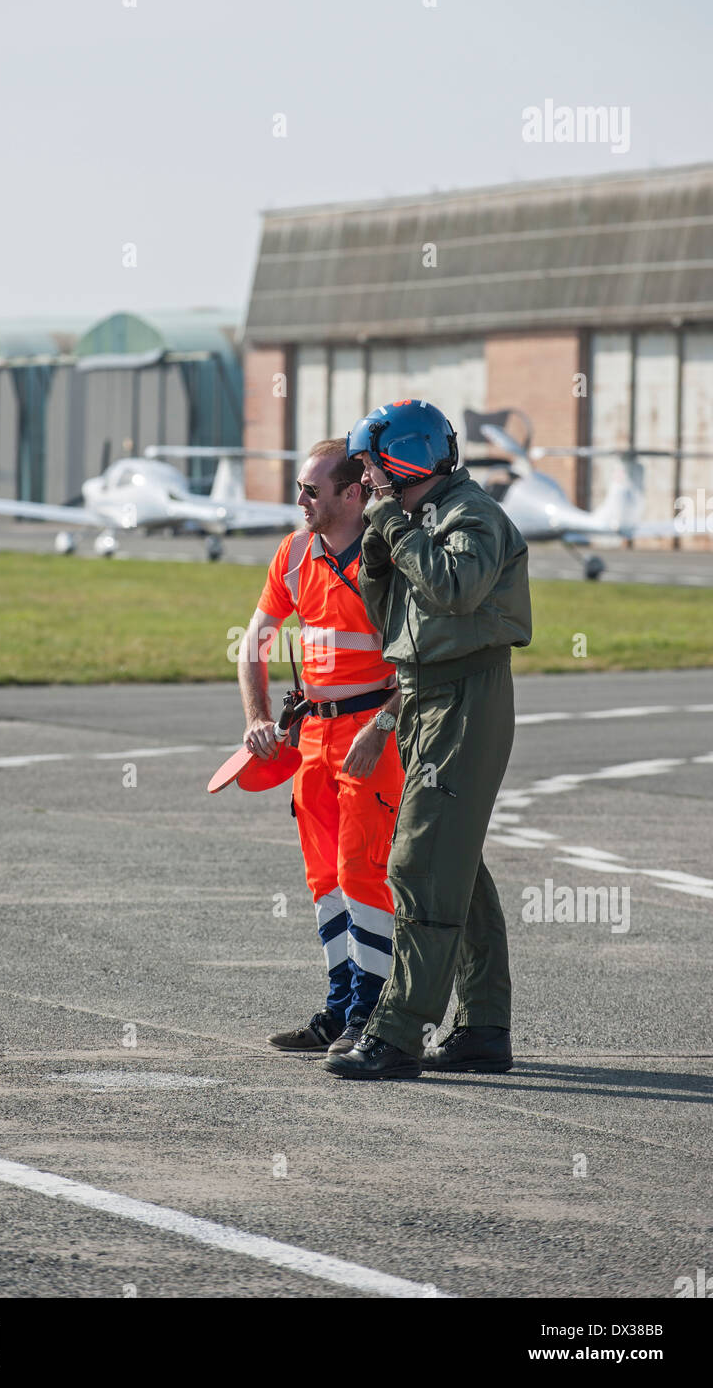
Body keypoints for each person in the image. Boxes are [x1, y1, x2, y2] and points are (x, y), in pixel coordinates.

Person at [325, 400, 532, 1081]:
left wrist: (390, 525)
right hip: (426, 697)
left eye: (371, 465)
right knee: (458, 869)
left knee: (419, 863)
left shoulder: (471, 515)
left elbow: (454, 589)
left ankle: (399, 1031)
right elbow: (393, 621)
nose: (367, 479)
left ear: (403, 459)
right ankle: (481, 1026)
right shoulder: (419, 519)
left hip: (465, 695)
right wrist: (384, 548)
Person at [238, 438, 404, 1056]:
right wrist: (257, 719)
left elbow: (424, 661)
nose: (300, 499)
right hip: (313, 734)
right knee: (323, 878)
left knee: (363, 872)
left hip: (372, 737)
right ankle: (339, 1011)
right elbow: (253, 642)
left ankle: (371, 1014)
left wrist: (383, 724)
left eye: (312, 490)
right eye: (300, 488)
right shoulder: (294, 552)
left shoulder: (387, 557)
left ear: (353, 493)